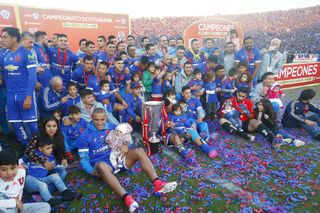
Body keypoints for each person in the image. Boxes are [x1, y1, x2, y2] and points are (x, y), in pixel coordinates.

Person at [77, 108, 177, 212]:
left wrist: (126, 144)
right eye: (96, 120)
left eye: (102, 119)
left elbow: (128, 138)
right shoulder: (84, 135)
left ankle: (158, 184)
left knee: (139, 151)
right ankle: (127, 198)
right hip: (104, 166)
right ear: (91, 118)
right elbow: (83, 159)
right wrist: (90, 170)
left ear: (106, 118)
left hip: (118, 158)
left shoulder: (112, 127)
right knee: (101, 166)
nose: (99, 122)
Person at [0, 27, 39, 147]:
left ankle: (39, 148)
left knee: (32, 125)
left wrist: (28, 97)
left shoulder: (27, 53)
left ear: (14, 38)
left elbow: (32, 76)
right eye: (2, 37)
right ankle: (27, 149)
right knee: (16, 125)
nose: (2, 40)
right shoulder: (4, 55)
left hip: (24, 94)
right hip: (11, 95)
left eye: (5, 37)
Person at [219, 87, 285, 148]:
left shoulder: (249, 102)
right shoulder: (228, 101)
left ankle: (272, 140)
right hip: (233, 123)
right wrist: (228, 113)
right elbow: (222, 115)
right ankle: (244, 135)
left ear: (247, 96)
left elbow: (251, 117)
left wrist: (247, 112)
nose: (240, 98)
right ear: (237, 93)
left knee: (255, 121)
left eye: (243, 96)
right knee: (221, 120)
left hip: (245, 123)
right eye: (239, 95)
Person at [25, 138, 81, 208]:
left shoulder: (51, 158)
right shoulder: (35, 154)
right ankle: (51, 202)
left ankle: (66, 193)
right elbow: (23, 159)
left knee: (55, 176)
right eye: (47, 148)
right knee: (42, 185)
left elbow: (57, 167)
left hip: (42, 179)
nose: (50, 150)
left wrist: (64, 164)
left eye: (51, 147)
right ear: (40, 149)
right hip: (30, 180)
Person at [0, 148, 51, 213]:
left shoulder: (22, 171)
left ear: (18, 166)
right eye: (3, 170)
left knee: (45, 206)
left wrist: (18, 206)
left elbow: (20, 189)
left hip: (17, 208)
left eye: (13, 168)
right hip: (4, 208)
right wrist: (13, 202)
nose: (9, 173)